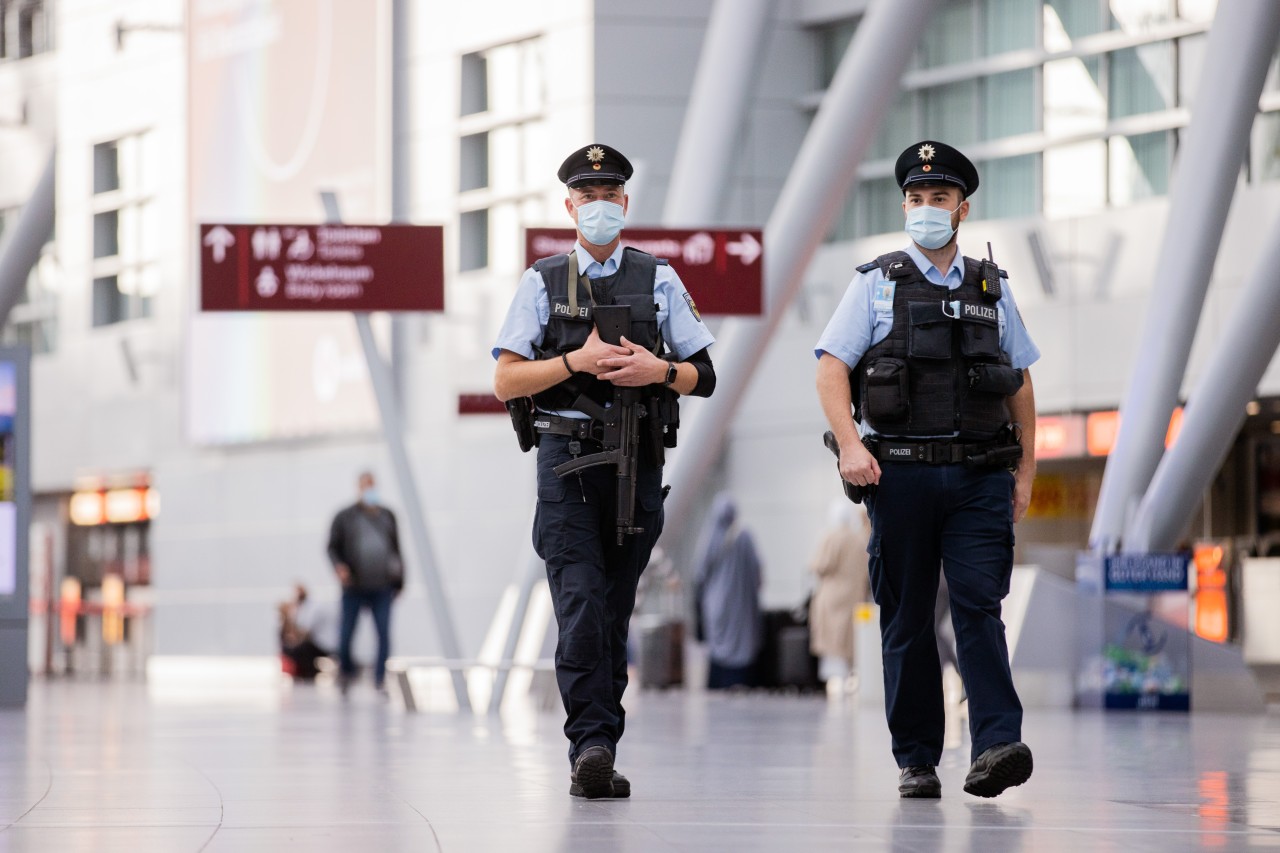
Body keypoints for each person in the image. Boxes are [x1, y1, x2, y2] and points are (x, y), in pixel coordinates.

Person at [815, 140, 1039, 799]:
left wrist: (1025, 473)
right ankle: (917, 757)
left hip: (979, 477)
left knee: (979, 605)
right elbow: (831, 368)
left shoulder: (990, 288)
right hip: (900, 476)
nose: (925, 208)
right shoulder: (876, 282)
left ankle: (997, 742)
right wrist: (851, 445)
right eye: (915, 198)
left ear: (962, 209)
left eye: (938, 198)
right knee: (907, 616)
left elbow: (1020, 386)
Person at [492, 143, 717, 799]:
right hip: (567, 467)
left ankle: (601, 743)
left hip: (638, 462)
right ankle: (589, 742)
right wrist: (574, 364)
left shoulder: (660, 278)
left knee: (612, 611)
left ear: (625, 203)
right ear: (569, 206)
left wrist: (660, 372)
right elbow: (506, 376)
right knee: (582, 602)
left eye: (608, 193)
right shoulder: (543, 281)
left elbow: (706, 374)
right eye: (585, 195)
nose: (597, 204)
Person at [327, 471, 404, 693]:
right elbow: (332, 547)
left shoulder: (388, 515)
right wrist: (339, 567)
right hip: (354, 587)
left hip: (382, 586)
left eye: (372, 485)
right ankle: (346, 672)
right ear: (358, 488)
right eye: (365, 486)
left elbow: (396, 550)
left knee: (383, 634)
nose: (369, 490)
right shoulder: (345, 517)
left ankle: (379, 678)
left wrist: (399, 581)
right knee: (346, 634)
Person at [693, 494, 763, 690]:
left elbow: (699, 573)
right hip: (742, 607)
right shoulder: (745, 536)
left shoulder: (709, 537)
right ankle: (741, 681)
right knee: (742, 642)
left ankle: (718, 683)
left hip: (715, 607)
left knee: (717, 648)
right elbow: (757, 573)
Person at [808, 499, 869, 696]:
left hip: (832, 597)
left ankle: (837, 683)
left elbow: (820, 565)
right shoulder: (858, 539)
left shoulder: (832, 537)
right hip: (854, 596)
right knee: (848, 639)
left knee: (833, 643)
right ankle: (848, 679)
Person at [278, 583, 335, 681]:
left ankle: (310, 672)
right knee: (290, 647)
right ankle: (303, 671)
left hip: (323, 643)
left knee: (300, 648)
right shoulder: (300, 609)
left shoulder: (313, 608)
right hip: (313, 642)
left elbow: (306, 632)